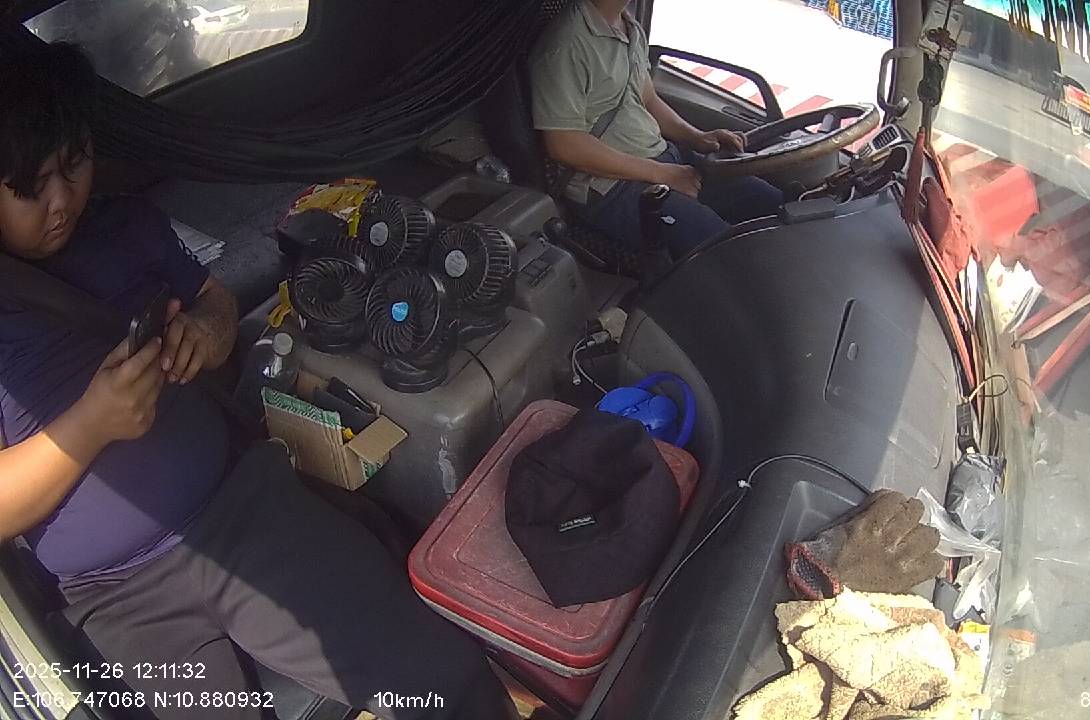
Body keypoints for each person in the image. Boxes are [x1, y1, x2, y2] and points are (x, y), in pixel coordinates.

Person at [0, 43, 514, 720]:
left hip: (241, 506)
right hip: (119, 595)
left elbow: (213, 300)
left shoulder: (126, 225)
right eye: (30, 187)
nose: (62, 201)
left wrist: (208, 330)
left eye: (75, 165)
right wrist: (92, 424)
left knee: (441, 680)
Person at [530, 0, 785, 259]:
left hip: (662, 157)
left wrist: (697, 137)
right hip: (609, 186)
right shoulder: (566, 44)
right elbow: (564, 144)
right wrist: (661, 173)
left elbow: (647, 98)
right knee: (727, 252)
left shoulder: (629, 26)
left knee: (772, 203)